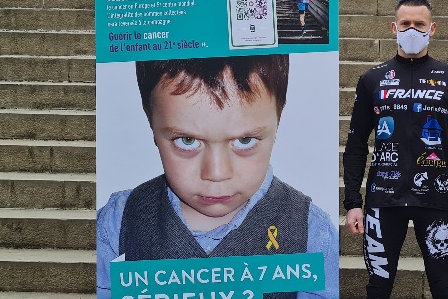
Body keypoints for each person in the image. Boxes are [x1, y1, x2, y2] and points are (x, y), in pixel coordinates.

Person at [96, 54, 338, 299]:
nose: (217, 174)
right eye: (187, 140)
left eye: (244, 140)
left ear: (278, 119)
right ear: (151, 121)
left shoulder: (312, 234)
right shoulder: (115, 225)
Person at [343, 0, 448, 299]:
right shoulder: (372, 79)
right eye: (405, 24)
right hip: (383, 199)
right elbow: (356, 145)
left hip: (437, 199)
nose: (412, 30)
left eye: (419, 24)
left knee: (443, 288)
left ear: (432, 28)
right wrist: (352, 201)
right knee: (377, 289)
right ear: (394, 28)